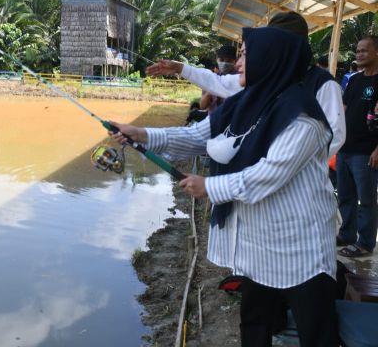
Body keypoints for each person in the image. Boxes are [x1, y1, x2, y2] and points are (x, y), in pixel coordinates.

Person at [111, 27, 338, 346]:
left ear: (271, 59)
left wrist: (210, 187)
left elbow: (269, 174)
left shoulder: (302, 117)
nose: (238, 62)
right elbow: (196, 137)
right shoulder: (244, 103)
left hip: (301, 244)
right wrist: (142, 134)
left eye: (246, 53)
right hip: (258, 240)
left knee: (316, 329)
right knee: (256, 320)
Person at [146, 11, 345, 158]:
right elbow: (219, 83)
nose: (239, 63)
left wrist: (294, 160)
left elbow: (335, 134)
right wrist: (181, 68)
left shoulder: (323, 84)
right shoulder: (263, 80)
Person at [336, 35, 378, 258]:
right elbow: (342, 110)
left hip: (366, 152)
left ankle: (366, 242)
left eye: (364, 50)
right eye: (357, 50)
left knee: (367, 200)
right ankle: (347, 234)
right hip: (345, 148)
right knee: (345, 196)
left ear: (376, 52)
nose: (359, 54)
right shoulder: (353, 80)